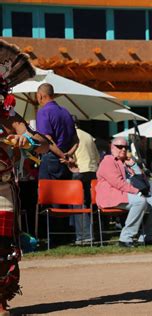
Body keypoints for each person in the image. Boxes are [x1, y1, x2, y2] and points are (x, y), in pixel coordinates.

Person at [0, 40, 49, 313]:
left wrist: (24, 142)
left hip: (3, 188)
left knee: (2, 247)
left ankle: (0, 299)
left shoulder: (7, 113)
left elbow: (42, 144)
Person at [96, 137, 152, 247]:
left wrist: (133, 165)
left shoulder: (126, 164)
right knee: (139, 201)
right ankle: (125, 238)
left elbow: (143, 182)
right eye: (119, 147)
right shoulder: (108, 161)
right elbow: (117, 183)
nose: (123, 149)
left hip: (129, 195)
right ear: (112, 147)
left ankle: (147, 236)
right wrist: (137, 192)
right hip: (111, 196)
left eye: (125, 147)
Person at [36, 83, 79, 180]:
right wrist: (68, 154)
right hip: (66, 160)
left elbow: (47, 140)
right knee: (64, 193)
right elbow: (76, 140)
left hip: (52, 158)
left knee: (47, 194)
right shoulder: (66, 112)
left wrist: (63, 156)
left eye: (37, 97)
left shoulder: (43, 112)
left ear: (41, 96)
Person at [71, 118, 101, 245]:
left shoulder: (71, 135)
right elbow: (97, 156)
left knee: (78, 204)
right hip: (92, 171)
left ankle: (84, 236)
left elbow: (70, 157)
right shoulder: (88, 135)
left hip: (80, 171)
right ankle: (93, 233)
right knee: (91, 203)